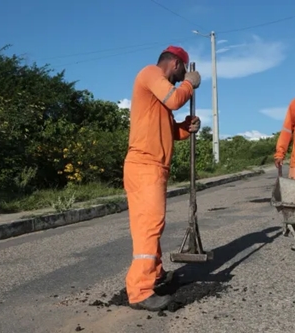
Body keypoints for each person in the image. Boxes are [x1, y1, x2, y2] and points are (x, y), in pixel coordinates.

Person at [123, 46, 202, 311]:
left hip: (151, 166)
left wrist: (186, 127)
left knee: (150, 225)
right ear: (177, 64)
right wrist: (190, 86)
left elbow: (169, 131)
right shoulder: (151, 73)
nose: (182, 78)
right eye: (182, 73)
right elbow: (175, 99)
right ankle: (141, 291)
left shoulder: (157, 93)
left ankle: (154, 274)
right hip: (145, 165)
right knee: (150, 225)